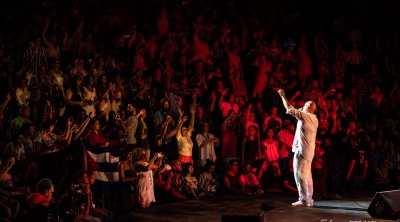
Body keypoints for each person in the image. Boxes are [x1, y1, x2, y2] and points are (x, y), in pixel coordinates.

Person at [277, 89, 318, 207]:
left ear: (308, 107)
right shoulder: (314, 118)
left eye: (305, 104)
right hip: (309, 151)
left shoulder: (305, 116)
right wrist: (304, 107)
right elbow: (298, 110)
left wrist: (283, 96)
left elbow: (289, 108)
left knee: (299, 173)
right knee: (308, 174)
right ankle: (309, 198)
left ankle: (304, 200)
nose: (302, 106)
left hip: (302, 150)